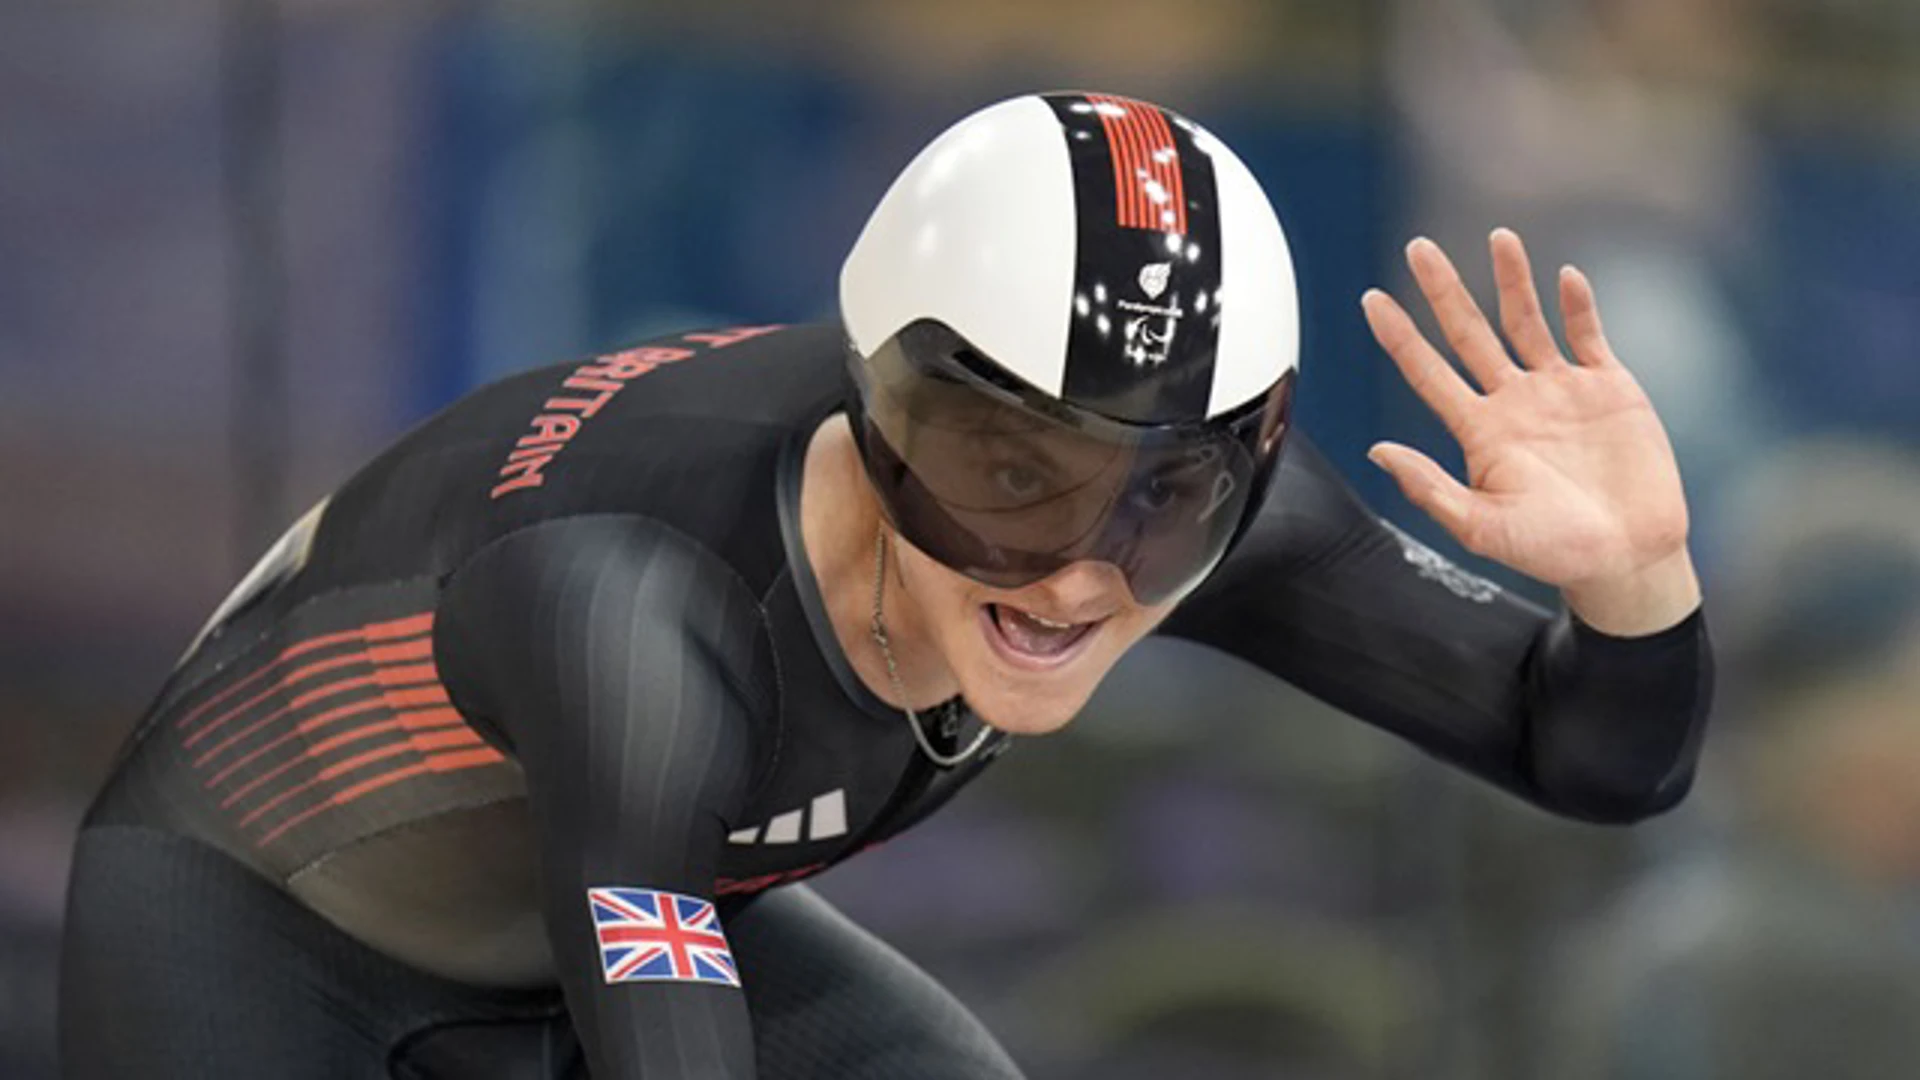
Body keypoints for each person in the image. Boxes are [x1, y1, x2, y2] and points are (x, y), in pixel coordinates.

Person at [58, 92, 1711, 1079]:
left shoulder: (1183, 510)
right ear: (874, 407)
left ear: (1241, 463)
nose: (1075, 576)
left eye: (1167, 502)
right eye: (1007, 477)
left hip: (610, 913)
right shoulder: (636, 601)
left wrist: (1640, 580)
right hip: (254, 929)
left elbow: (1597, 756)